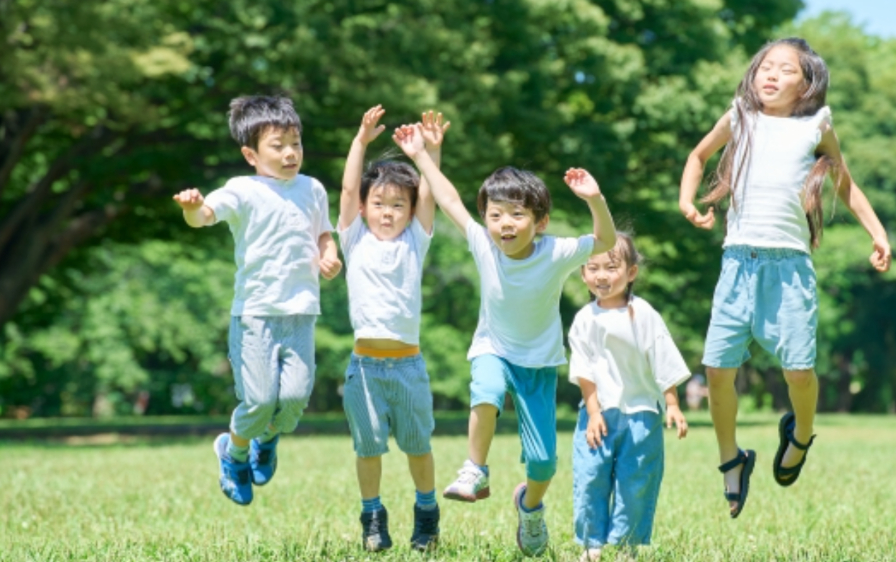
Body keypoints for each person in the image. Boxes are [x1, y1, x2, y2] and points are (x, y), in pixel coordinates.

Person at [678, 38, 892, 518]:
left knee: (798, 370)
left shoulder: (816, 125)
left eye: (784, 70)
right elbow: (697, 157)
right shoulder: (740, 117)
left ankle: (799, 434)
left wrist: (878, 234)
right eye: (764, 68)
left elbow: (845, 183)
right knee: (716, 369)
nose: (770, 76)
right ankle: (730, 459)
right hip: (737, 262)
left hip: (790, 268)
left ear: (807, 83)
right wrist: (687, 202)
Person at [393, 123, 617, 557]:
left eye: (516, 215)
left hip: (538, 363)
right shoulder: (483, 244)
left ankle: (529, 507)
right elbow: (449, 199)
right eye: (495, 215)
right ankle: (475, 468)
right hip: (492, 348)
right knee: (486, 391)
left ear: (540, 221)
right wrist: (421, 155)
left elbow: (606, 240)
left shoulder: (556, 252)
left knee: (543, 463)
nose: (504, 225)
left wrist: (594, 198)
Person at [172, 95, 342, 506]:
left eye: (296, 143)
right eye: (278, 145)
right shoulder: (242, 190)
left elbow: (323, 232)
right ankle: (233, 453)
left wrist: (329, 252)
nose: (290, 153)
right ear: (250, 154)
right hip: (255, 315)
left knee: (295, 398)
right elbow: (206, 215)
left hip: (301, 311)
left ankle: (266, 440)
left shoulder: (313, 188)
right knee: (261, 399)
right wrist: (192, 209)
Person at [337, 106, 449, 553]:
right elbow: (347, 187)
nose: (388, 213)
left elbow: (430, 196)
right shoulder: (354, 239)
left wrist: (430, 153)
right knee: (368, 449)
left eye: (398, 205)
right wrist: (360, 141)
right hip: (364, 368)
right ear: (364, 209)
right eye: (379, 205)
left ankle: (426, 512)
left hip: (408, 367)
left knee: (418, 445)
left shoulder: (414, 242)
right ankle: (372, 516)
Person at [569, 232, 690, 562]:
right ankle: (592, 543)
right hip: (597, 414)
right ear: (582, 274)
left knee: (636, 482)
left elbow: (662, 357)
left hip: (641, 414)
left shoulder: (644, 314)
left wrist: (673, 403)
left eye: (611, 267)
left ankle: (625, 545)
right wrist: (593, 412)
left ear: (631, 272)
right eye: (592, 268)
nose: (601, 276)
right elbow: (584, 370)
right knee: (590, 477)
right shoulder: (584, 319)